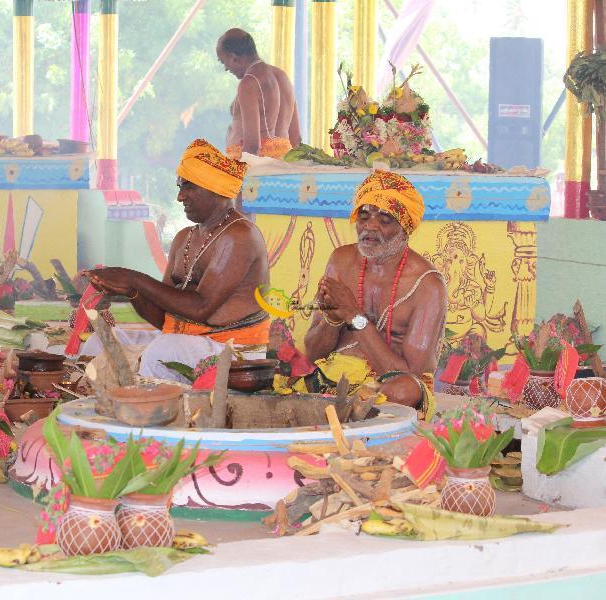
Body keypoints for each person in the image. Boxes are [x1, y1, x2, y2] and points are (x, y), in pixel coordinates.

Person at [84, 139, 270, 382]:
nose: (180, 196)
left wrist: (134, 278)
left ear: (215, 189)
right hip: (184, 342)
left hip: (233, 351)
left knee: (161, 352)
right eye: (180, 187)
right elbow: (163, 318)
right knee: (101, 340)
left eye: (189, 187)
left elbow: (201, 308)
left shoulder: (240, 235)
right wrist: (130, 291)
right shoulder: (185, 238)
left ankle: (147, 415)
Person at [302, 170, 447, 415]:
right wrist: (333, 319)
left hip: (388, 386)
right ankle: (346, 412)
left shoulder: (428, 285)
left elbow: (408, 373)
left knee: (405, 390)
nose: (370, 226)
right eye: (364, 215)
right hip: (337, 375)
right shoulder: (341, 260)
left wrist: (355, 316)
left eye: (385, 219)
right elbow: (314, 353)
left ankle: (347, 413)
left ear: (404, 227)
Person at [217, 28, 301, 160]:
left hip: (255, 169)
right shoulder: (282, 76)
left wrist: (233, 176)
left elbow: (252, 146)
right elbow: (296, 138)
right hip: (281, 164)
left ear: (233, 57)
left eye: (223, 62)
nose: (226, 68)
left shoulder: (249, 83)